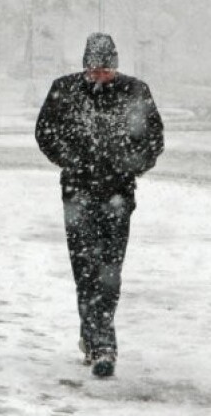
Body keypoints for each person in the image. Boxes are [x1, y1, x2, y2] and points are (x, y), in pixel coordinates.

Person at [35, 33, 164, 377]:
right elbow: (44, 132)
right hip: (77, 194)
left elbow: (154, 139)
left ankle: (96, 335)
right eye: (94, 69)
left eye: (106, 70)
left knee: (109, 271)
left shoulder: (136, 92)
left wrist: (131, 164)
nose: (100, 76)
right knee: (85, 270)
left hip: (117, 196)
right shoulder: (64, 90)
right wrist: (70, 160)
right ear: (84, 66)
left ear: (116, 67)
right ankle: (101, 340)